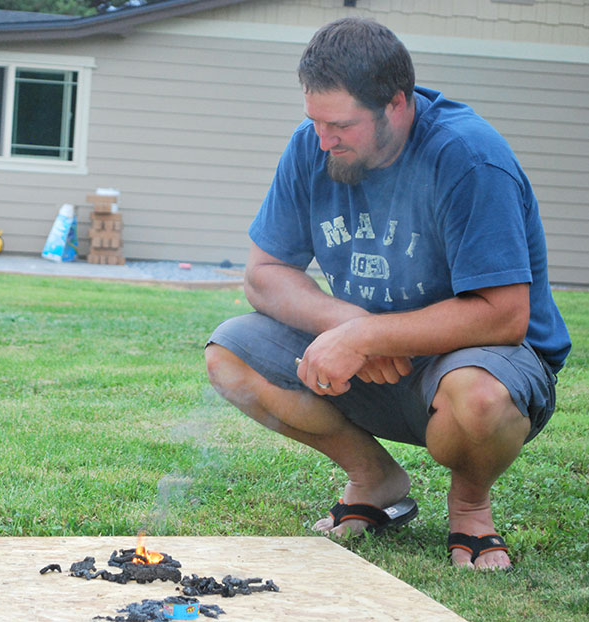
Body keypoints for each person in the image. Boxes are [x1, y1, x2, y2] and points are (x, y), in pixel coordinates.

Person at [205, 17, 569, 571]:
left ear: (396, 105)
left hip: (482, 366)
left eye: (340, 125)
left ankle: (471, 506)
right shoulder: (312, 146)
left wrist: (368, 336)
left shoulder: (469, 157)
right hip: (373, 365)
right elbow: (263, 274)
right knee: (231, 353)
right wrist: (351, 327)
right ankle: (373, 479)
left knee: (479, 397)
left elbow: (505, 315)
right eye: (315, 121)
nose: (323, 140)